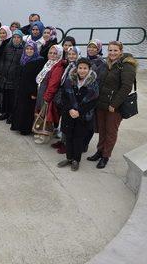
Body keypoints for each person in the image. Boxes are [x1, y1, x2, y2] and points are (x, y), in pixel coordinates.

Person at [88, 41, 138, 169]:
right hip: (101, 103)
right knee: (102, 129)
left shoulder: (126, 66)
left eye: (115, 50)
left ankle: (105, 156)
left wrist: (114, 104)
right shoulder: (106, 64)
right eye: (110, 50)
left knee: (111, 131)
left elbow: (126, 87)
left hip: (114, 106)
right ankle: (99, 151)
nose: (112, 53)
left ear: (121, 51)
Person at [57, 58, 99, 171]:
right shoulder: (69, 80)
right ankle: (69, 158)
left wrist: (79, 111)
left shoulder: (93, 83)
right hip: (69, 114)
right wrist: (70, 109)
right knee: (68, 137)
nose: (82, 70)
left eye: (85, 68)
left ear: (89, 69)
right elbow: (64, 97)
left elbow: (93, 102)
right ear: (77, 69)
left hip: (83, 117)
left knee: (78, 138)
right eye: (80, 68)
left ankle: (76, 160)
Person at [10, 41, 45, 135]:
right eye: (27, 49)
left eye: (31, 49)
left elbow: (38, 79)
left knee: (27, 110)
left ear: (35, 50)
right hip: (21, 88)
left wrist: (34, 93)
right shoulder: (23, 59)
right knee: (19, 108)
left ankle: (25, 129)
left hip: (30, 91)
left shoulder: (39, 61)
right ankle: (17, 125)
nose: (29, 51)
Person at [33, 45, 66, 144]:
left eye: (55, 53)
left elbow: (53, 84)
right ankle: (39, 131)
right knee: (41, 113)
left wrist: (47, 98)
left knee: (47, 116)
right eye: (50, 53)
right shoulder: (49, 63)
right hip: (42, 92)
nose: (52, 55)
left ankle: (45, 135)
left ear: (59, 54)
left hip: (48, 95)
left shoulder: (58, 67)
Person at [0, 29, 24, 122]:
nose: (16, 39)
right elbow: (2, 59)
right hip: (5, 75)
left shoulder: (23, 49)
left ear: (21, 39)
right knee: (5, 96)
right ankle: (5, 113)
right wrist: (1, 70)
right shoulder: (8, 47)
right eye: (14, 37)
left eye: (18, 38)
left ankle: (11, 115)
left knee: (13, 98)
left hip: (14, 77)